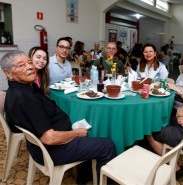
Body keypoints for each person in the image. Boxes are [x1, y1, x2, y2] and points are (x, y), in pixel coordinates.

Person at [0, 51, 116, 184]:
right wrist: (76, 133)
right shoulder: (25, 99)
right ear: (8, 73)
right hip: (52, 150)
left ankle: (83, 177)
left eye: (29, 62)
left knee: (88, 133)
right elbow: (49, 138)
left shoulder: (23, 88)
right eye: (21, 65)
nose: (30, 67)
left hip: (40, 145)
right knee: (107, 145)